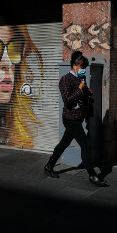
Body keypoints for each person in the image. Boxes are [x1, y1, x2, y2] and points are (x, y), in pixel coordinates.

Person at [44, 51, 108, 187]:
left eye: (85, 67)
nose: (83, 70)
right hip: (69, 119)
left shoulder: (80, 79)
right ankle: (92, 175)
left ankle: (49, 166)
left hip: (77, 118)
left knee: (64, 143)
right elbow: (67, 101)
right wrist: (80, 89)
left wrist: (86, 92)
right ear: (74, 66)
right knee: (85, 145)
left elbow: (82, 100)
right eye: (82, 67)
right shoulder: (65, 80)